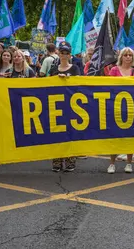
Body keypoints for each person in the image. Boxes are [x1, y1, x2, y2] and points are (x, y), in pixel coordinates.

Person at [107, 47, 134, 174]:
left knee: (130, 137)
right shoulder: (114, 70)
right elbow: (108, 87)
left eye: (130, 55)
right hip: (116, 108)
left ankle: (129, 163)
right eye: (125, 55)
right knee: (114, 137)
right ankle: (112, 163)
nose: (128, 57)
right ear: (121, 57)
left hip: (131, 109)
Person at [49, 42, 80, 172]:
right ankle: (56, 160)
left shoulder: (75, 69)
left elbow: (79, 84)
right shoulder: (53, 69)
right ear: (59, 53)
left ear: (70, 55)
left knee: (70, 133)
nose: (64, 55)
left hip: (71, 106)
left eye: (66, 53)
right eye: (62, 52)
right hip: (56, 105)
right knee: (56, 132)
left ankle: (70, 160)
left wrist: (67, 79)